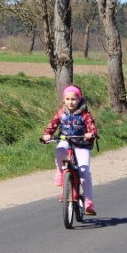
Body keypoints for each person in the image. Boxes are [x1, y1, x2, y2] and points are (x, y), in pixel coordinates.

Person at [42, 84, 99, 215]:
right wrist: (47, 134)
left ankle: (88, 202)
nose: (70, 102)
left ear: (79, 99)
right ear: (64, 100)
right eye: (67, 99)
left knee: (84, 173)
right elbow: (52, 124)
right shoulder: (61, 113)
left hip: (81, 143)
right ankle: (60, 172)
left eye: (73, 99)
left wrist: (90, 133)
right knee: (60, 150)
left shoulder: (85, 114)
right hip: (66, 139)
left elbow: (92, 126)